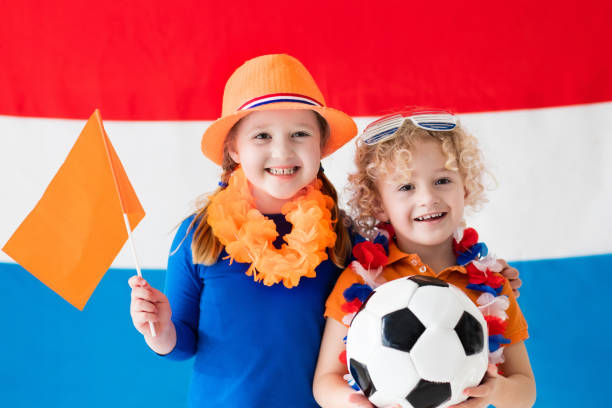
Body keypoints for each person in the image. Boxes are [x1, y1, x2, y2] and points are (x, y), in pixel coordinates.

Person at [128, 54, 523, 408]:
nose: (282, 152)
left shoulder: (344, 235)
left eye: (299, 134)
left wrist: (488, 279)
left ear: (321, 146)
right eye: (261, 135)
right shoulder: (198, 235)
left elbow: (409, 276)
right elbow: (183, 345)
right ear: (233, 149)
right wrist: (160, 332)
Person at [313, 110, 536, 408]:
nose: (427, 198)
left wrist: (495, 392)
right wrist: (352, 403)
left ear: (465, 187)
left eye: (442, 180)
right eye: (406, 187)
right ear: (379, 204)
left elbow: (526, 391)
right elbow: (326, 380)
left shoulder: (491, 287)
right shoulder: (361, 278)